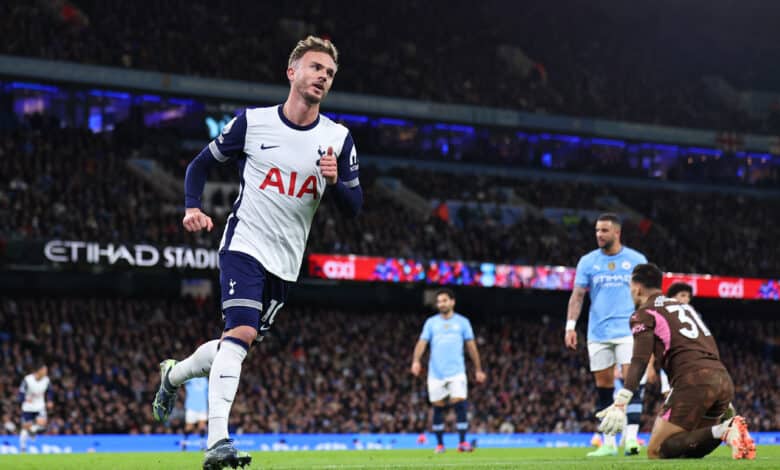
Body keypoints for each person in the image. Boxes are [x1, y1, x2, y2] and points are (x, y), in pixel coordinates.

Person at [151, 35, 362, 470]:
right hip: (244, 243)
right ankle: (217, 442)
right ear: (293, 72)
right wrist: (192, 207)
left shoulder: (338, 139)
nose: (323, 76)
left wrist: (336, 179)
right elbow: (199, 165)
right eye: (315, 67)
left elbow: (354, 208)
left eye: (329, 73)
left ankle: (171, 374)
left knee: (238, 344)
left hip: (286, 261)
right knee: (241, 335)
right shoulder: (253, 123)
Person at [597, 263, 755, 460]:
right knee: (689, 448)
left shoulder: (643, 314)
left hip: (693, 381)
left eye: (630, 287)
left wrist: (622, 400)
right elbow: (709, 344)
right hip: (721, 377)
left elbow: (639, 359)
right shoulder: (685, 308)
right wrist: (717, 386)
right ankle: (727, 429)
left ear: (637, 288)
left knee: (656, 451)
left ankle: (725, 429)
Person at [564, 213, 648, 456]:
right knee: (603, 387)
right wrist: (570, 326)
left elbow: (647, 297)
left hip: (628, 331)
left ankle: (631, 440)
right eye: (597, 230)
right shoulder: (588, 261)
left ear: (617, 233)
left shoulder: (636, 260)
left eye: (604, 230)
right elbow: (578, 295)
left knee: (632, 384)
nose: (599, 235)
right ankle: (609, 444)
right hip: (597, 332)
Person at [411, 289, 486, 453]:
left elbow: (471, 347)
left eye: (444, 301)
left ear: (452, 302)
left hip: (457, 372)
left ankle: (462, 443)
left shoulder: (463, 322)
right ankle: (439, 445)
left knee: (460, 404)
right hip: (436, 373)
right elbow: (422, 343)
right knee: (437, 408)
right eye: (439, 302)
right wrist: (416, 361)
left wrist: (478, 369)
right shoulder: (431, 323)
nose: (441, 304)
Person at [18, 363, 50, 453]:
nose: (46, 372)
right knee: (25, 428)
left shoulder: (46, 380)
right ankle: (23, 447)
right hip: (28, 407)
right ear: (39, 371)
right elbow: (21, 391)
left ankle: (33, 430)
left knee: (42, 423)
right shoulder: (28, 379)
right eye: (44, 370)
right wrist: (24, 399)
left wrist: (50, 400)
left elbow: (50, 391)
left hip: (40, 406)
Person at [182, 377, 208, 451]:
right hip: (191, 406)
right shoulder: (190, 378)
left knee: (202, 426)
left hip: (203, 406)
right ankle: (184, 443)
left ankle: (202, 445)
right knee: (189, 427)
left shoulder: (205, 379)